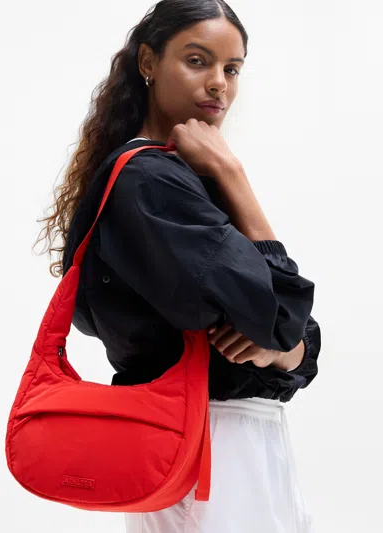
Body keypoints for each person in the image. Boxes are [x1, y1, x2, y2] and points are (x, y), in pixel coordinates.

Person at [34, 1, 321, 531]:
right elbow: (282, 320)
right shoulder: (150, 181)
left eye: (232, 69)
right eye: (197, 60)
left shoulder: (167, 177)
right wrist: (233, 174)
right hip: (212, 447)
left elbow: (292, 338)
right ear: (148, 62)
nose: (219, 84)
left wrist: (286, 347)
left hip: (213, 441)